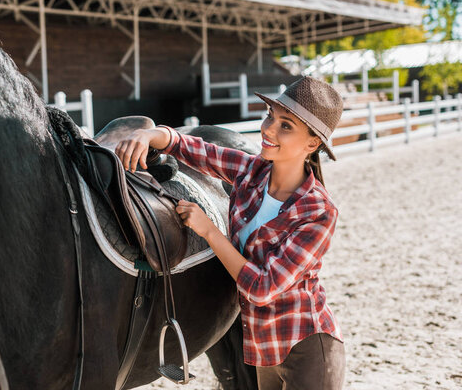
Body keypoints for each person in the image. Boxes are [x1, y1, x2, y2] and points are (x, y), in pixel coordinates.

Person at [114, 76, 345, 390]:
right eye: (270, 117)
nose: (268, 129)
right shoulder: (252, 172)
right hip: (265, 348)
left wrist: (209, 231)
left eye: (286, 126)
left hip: (306, 346)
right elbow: (194, 149)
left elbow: (263, 288)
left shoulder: (318, 211)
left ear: (312, 143)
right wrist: (149, 134)